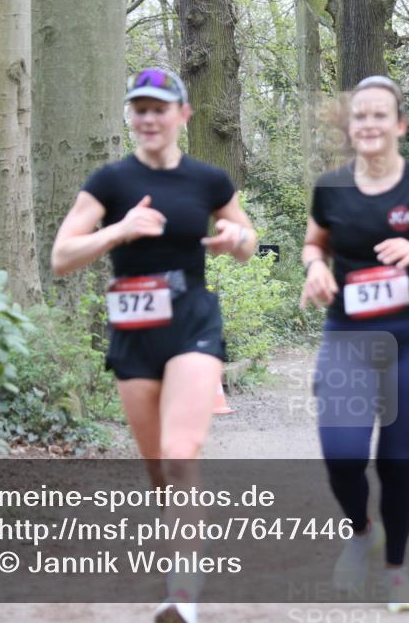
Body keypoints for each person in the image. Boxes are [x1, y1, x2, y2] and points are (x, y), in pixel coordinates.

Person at [50, 68, 256, 623]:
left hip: (192, 322)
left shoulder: (208, 180)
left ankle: (181, 594)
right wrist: (118, 230)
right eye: (139, 108)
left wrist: (237, 239)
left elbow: (247, 239)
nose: (148, 117)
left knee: (180, 451)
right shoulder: (110, 182)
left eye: (160, 108)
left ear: (182, 115)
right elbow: (62, 256)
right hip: (133, 330)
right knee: (158, 470)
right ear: (131, 116)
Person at [300, 75, 409, 613]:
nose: (368, 124)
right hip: (350, 334)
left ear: (399, 125)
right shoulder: (330, 188)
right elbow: (313, 243)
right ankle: (361, 531)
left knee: (396, 463)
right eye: (360, 115)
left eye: (380, 115)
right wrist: (313, 269)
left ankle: (397, 573)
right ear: (350, 127)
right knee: (342, 455)